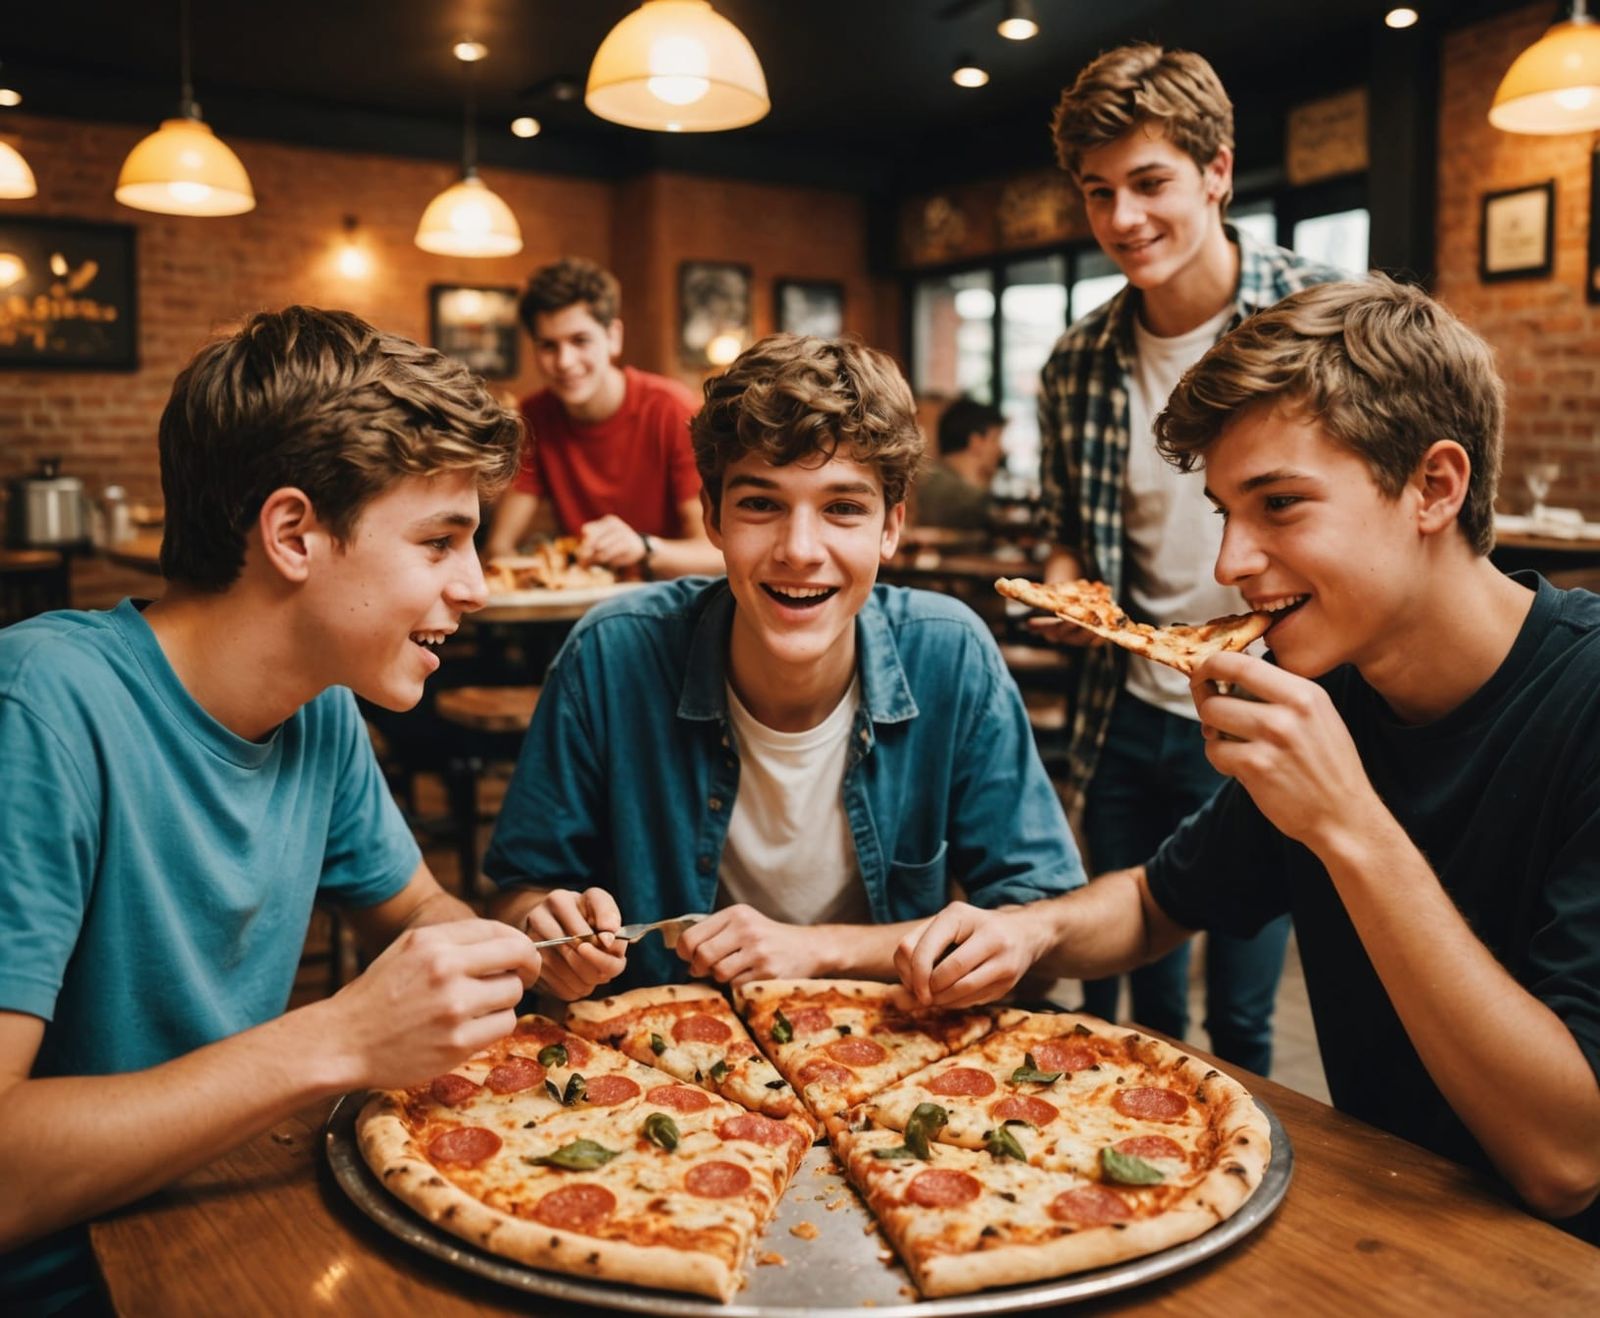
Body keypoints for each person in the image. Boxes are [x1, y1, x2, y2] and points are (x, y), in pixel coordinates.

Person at [897, 277, 1600, 1244]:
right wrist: (1030, 934)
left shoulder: (1586, 700)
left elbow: (1566, 1161)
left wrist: (1345, 822)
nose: (1229, 563)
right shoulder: (1337, 690)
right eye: (1227, 510)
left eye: (1280, 504)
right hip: (1375, 1219)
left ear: (1436, 486)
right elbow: (1156, 903)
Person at [0, 308, 545, 1314]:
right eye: (440, 541)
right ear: (293, 532)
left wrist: (512, 946)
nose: (475, 586)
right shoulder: (40, 706)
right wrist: (337, 1039)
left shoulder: (320, 707)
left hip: (223, 1216)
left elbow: (418, 914)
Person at [484, 334, 1086, 999]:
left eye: (843, 509)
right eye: (761, 504)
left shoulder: (950, 655)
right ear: (712, 517)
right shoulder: (611, 654)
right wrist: (547, 937)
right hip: (665, 1066)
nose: (800, 551)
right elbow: (518, 898)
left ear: (891, 528)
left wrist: (818, 951)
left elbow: (1042, 927)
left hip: (895, 1062)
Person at [1034, 43, 1345, 1073]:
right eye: (1097, 192)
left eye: (1150, 182)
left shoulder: (1321, 322)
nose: (1122, 219)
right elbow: (1075, 530)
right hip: (1123, 709)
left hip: (1268, 690)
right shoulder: (1076, 359)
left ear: (1216, 171)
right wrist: (1068, 585)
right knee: (1139, 999)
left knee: (1245, 1010)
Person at [484, 256, 723, 577]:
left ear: (613, 337)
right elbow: (499, 546)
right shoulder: (535, 415)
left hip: (672, 596)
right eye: (548, 346)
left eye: (580, 340)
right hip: (587, 600)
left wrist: (644, 547)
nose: (565, 362)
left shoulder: (671, 409)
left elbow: (716, 553)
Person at [915, 396, 1004, 531]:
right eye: (995, 439)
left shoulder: (932, 480)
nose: (1001, 450)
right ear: (976, 442)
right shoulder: (966, 499)